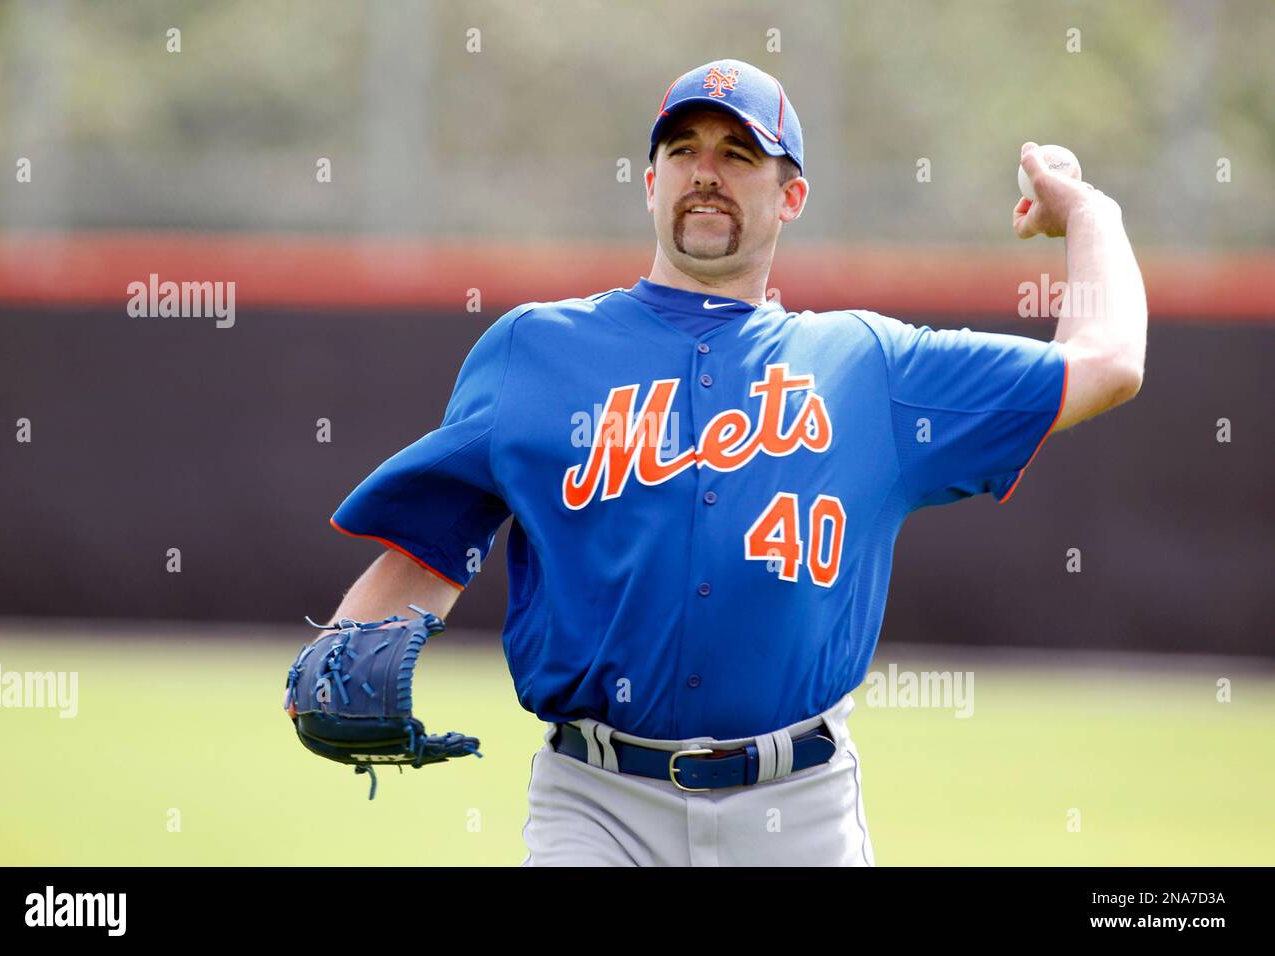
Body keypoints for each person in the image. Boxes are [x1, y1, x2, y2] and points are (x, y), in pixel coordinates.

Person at [325, 59, 1147, 866]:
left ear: (791, 196)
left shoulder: (868, 368)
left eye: (739, 154)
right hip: (596, 805)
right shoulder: (534, 351)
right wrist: (344, 648)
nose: (706, 172)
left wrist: (1088, 213)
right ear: (650, 183)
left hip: (802, 807)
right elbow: (437, 539)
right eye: (683, 150)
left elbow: (1106, 364)